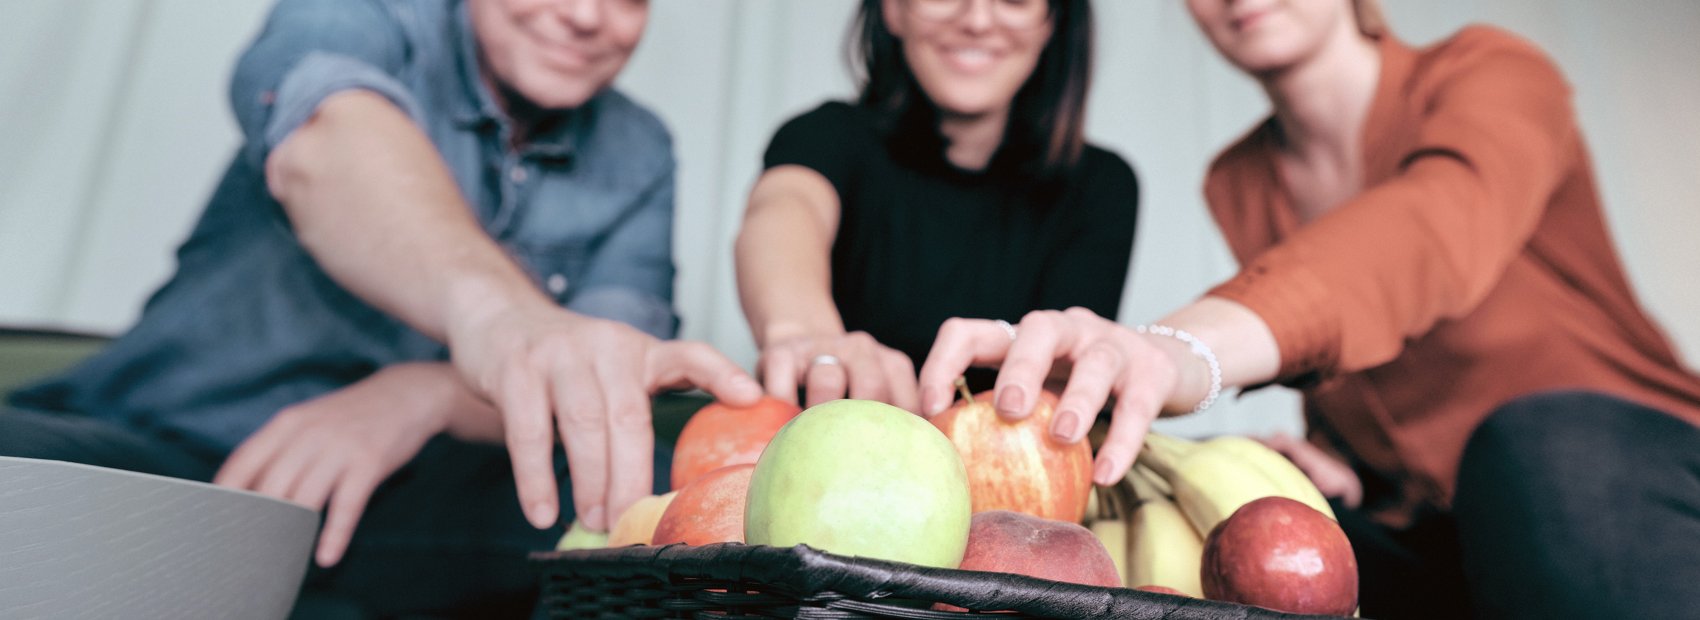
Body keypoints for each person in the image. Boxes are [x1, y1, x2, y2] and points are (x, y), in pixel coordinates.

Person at [918, 0, 1700, 617]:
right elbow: (1359, 362)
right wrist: (1346, 468)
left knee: (1537, 446)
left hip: (1633, 489)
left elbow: (1423, 239)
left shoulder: (1493, 72)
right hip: (1449, 534)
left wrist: (1178, 350)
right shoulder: (1242, 180)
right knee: (1279, 557)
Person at [0, 0, 760, 615]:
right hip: (167, 450)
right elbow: (327, 137)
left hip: (407, 504)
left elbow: (607, 379)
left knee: (649, 511)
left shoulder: (641, 151)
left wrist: (424, 396)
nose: (588, 15)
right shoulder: (365, 15)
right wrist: (502, 317)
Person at [735, 0, 1139, 413]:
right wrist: (802, 333)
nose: (977, 21)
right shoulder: (824, 136)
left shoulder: (1101, 184)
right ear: (892, 10)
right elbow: (785, 210)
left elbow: (1062, 379)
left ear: (1052, 21)